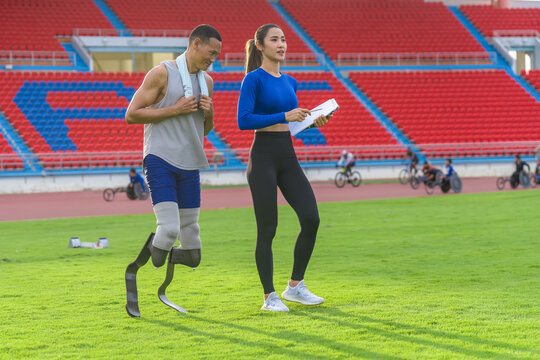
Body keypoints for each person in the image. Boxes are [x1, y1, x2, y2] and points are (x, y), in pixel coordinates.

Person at [123, 24, 222, 317]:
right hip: (160, 158)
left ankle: (161, 259)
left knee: (192, 248)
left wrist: (211, 110)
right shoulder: (162, 73)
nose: (212, 59)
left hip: (191, 161)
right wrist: (175, 109)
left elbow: (205, 129)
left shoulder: (208, 81)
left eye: (216, 55)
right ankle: (141, 264)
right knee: (168, 230)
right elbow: (132, 114)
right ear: (195, 43)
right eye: (210, 52)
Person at [237, 24, 330, 312]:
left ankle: (295, 287)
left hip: (287, 156)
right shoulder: (253, 80)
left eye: (284, 39)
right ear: (261, 45)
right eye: (274, 40)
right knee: (268, 229)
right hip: (263, 156)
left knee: (311, 218)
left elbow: (291, 123)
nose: (281, 44)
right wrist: (284, 114)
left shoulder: (290, 81)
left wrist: (312, 120)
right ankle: (269, 297)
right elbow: (244, 120)